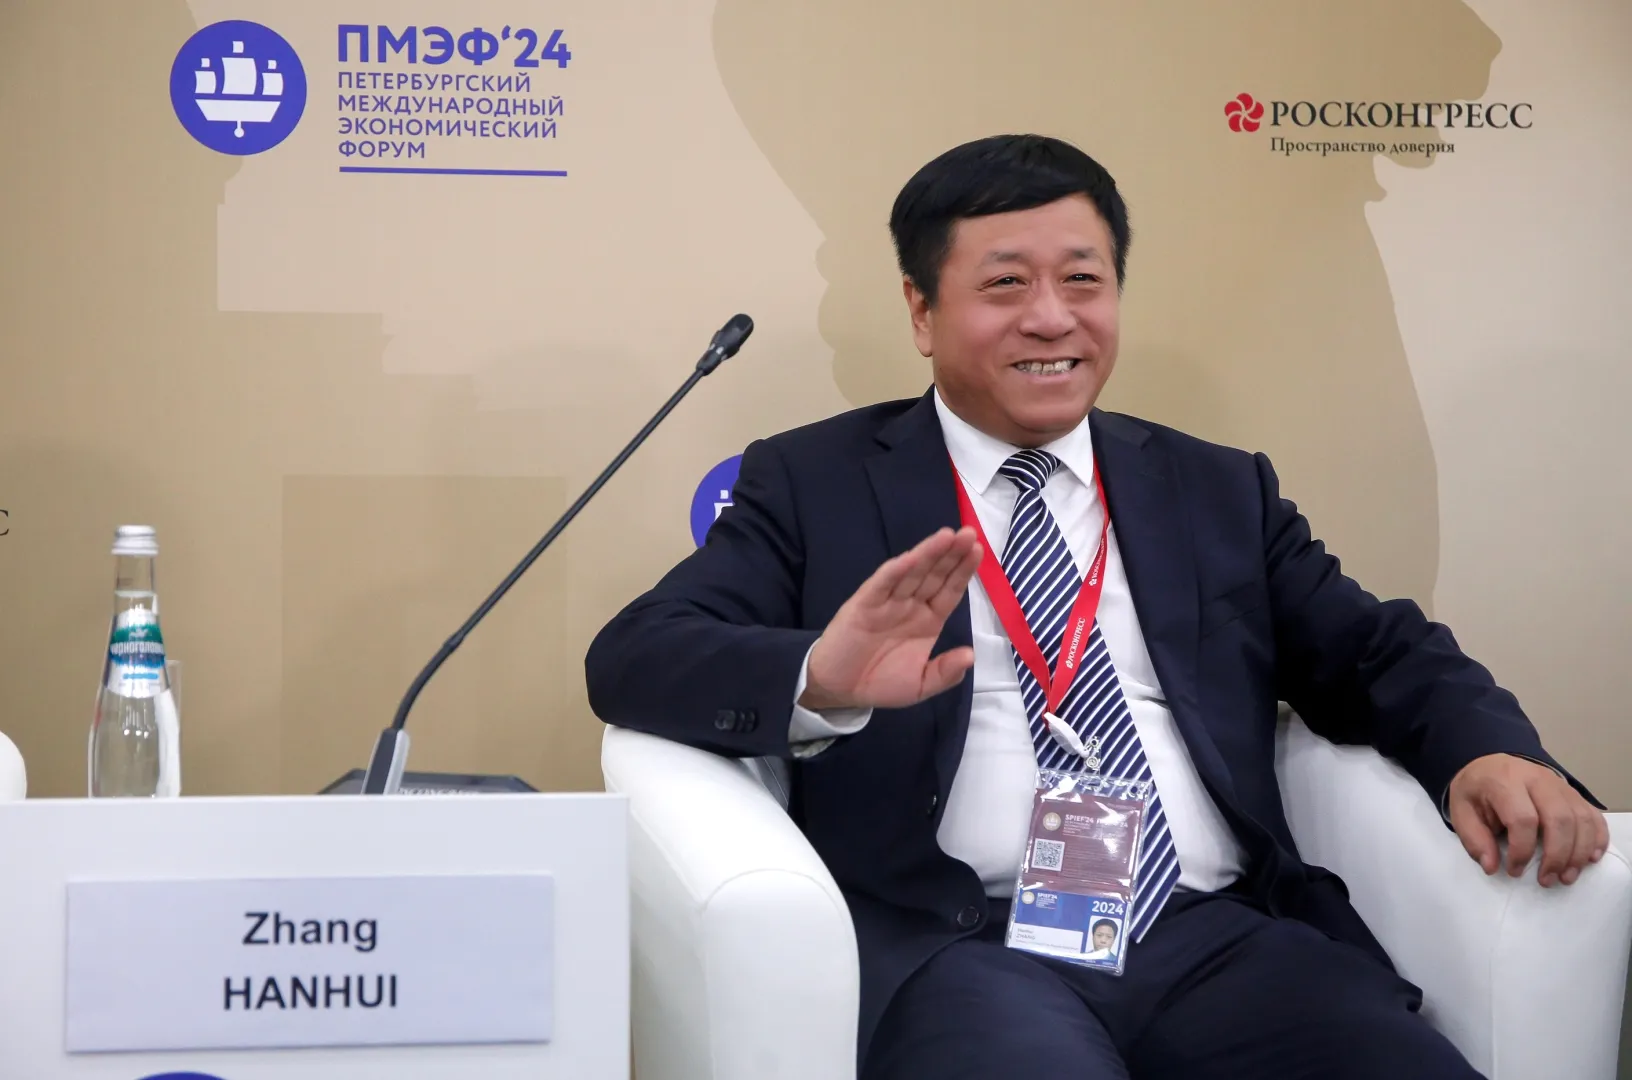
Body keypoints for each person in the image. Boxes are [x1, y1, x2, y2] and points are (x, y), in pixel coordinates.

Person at [585, 134, 1608, 1080]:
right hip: (964, 945)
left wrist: (1485, 751)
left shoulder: (1213, 487)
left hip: (1211, 934)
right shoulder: (816, 483)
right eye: (1005, 285)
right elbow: (636, 654)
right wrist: (822, 679)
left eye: (1085, 280)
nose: (1052, 318)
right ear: (921, 311)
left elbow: (1374, 650)